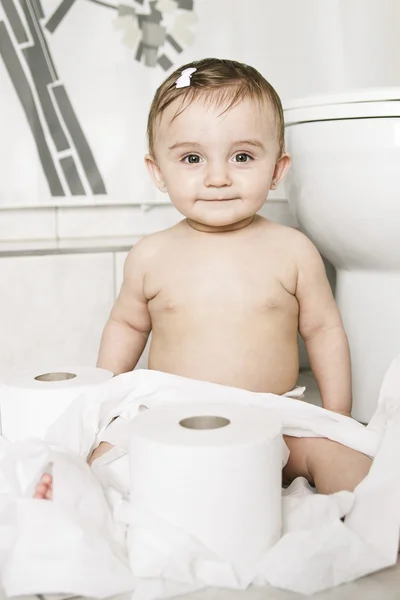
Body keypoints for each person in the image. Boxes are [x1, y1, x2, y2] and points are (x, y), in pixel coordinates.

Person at [34, 58, 372, 501]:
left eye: (243, 156)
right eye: (193, 158)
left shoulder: (293, 251)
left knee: (345, 458)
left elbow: (324, 330)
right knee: (104, 456)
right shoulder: (151, 254)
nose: (217, 178)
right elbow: (127, 326)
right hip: (167, 414)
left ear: (277, 169)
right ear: (158, 171)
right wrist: (101, 405)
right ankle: (73, 493)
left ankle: (378, 515)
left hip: (271, 419)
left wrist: (337, 415)